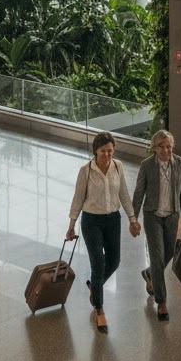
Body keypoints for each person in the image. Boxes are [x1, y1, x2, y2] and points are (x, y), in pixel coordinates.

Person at [66, 132, 139, 334]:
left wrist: (132, 219)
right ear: (95, 151)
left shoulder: (118, 166)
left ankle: (94, 287)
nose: (107, 155)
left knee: (114, 261)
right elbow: (78, 198)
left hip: (113, 220)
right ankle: (99, 309)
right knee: (98, 264)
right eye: (103, 151)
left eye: (110, 151)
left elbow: (123, 193)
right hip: (92, 221)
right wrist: (71, 225)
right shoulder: (86, 171)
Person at [132, 129, 181, 322]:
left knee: (170, 253)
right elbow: (139, 192)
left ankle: (149, 274)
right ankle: (162, 301)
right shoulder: (147, 166)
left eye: (169, 147)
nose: (166, 151)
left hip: (172, 215)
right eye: (162, 147)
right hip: (153, 216)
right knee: (157, 256)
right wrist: (134, 219)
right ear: (154, 148)